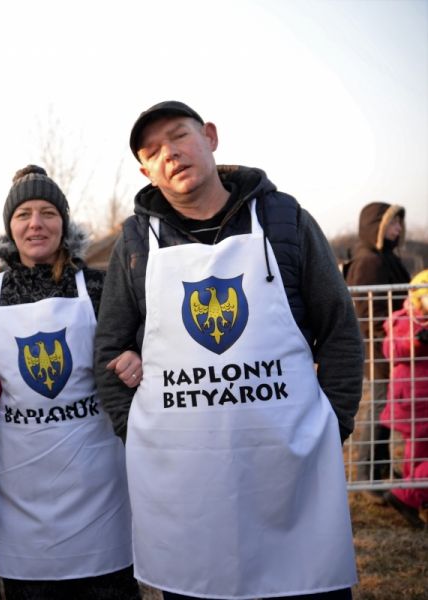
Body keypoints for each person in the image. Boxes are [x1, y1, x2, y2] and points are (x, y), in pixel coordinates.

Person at [94, 101, 362, 600]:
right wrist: (140, 434)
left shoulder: (284, 219)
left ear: (211, 137)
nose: (171, 154)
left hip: (289, 471)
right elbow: (109, 348)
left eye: (180, 136)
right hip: (190, 483)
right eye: (154, 151)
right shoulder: (135, 242)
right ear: (145, 171)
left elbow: (340, 329)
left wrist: (335, 422)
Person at [0, 165, 137, 600]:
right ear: (10, 228)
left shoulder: (99, 287)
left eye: (48, 212)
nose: (36, 223)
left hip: (99, 483)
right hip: (20, 487)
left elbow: (138, 353)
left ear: (64, 224)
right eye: (24, 214)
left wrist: (135, 356)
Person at [345, 202, 410, 484]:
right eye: (392, 224)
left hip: (391, 346)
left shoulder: (384, 257)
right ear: (377, 228)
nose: (398, 229)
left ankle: (380, 469)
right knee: (381, 407)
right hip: (380, 348)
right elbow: (366, 313)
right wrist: (395, 335)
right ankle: (366, 473)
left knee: (387, 408)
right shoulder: (369, 261)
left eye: (399, 223)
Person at [380, 269, 428, 528]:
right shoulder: (405, 319)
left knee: (417, 457)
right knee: (417, 453)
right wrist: (416, 341)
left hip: (419, 399)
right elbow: (391, 349)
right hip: (414, 400)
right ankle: (406, 496)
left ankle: (413, 498)